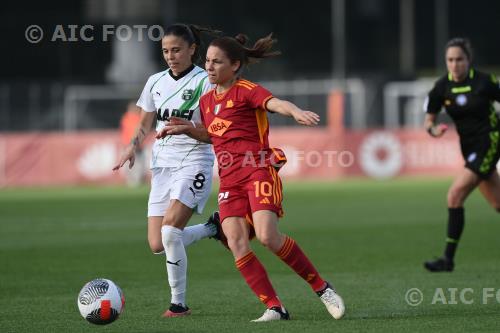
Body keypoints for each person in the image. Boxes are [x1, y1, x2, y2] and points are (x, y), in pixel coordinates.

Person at [157, 33, 345, 321]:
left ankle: (322, 288)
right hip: (230, 179)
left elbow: (276, 103)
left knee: (268, 236)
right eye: (207, 61)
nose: (209, 66)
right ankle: (274, 306)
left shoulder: (246, 90)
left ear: (234, 65)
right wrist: (187, 129)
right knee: (235, 241)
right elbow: (213, 135)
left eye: (217, 62)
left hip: (257, 169)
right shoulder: (207, 101)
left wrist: (295, 112)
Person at [113, 23, 222, 317]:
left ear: (192, 49)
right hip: (162, 166)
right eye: (165, 51)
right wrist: (131, 147)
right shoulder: (155, 81)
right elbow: (145, 122)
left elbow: (216, 130)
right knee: (157, 243)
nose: (170, 56)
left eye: (176, 50)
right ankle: (214, 227)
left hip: (194, 161)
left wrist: (188, 129)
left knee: (171, 232)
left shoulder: (206, 82)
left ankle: (178, 305)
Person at [423, 37, 500, 272]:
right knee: (498, 204)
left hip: (490, 142)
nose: (455, 65)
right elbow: (429, 121)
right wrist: (435, 131)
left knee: (455, 195)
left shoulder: (484, 82)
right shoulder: (440, 87)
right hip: (469, 148)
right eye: (450, 60)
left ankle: (448, 259)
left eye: (459, 59)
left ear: (469, 60)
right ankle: (448, 260)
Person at [118, 102, 147, 187]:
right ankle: (133, 182)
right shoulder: (127, 118)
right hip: (130, 145)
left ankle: (137, 181)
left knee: (138, 165)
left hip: (135, 145)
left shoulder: (134, 118)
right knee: (131, 165)